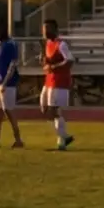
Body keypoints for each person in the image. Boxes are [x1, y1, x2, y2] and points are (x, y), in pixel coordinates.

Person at [40, 19, 77, 150]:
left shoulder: (61, 44)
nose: (44, 31)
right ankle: (64, 137)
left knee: (54, 111)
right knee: (45, 108)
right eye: (44, 28)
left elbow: (70, 60)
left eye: (47, 28)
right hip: (49, 81)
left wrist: (54, 66)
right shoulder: (47, 44)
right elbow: (48, 64)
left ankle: (62, 138)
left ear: (55, 30)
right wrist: (45, 64)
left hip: (59, 81)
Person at [0, 24, 24, 148]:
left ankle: (18, 139)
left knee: (8, 111)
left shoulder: (10, 44)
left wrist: (5, 82)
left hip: (7, 84)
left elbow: (12, 64)